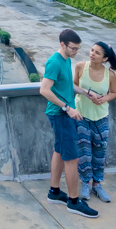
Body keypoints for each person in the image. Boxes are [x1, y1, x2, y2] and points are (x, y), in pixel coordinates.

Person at [40, 28, 97, 218]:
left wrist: (84, 92)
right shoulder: (54, 62)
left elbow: (66, 85)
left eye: (78, 48)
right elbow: (45, 90)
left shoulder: (65, 60)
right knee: (72, 158)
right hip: (61, 115)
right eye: (73, 48)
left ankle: (54, 192)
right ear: (62, 45)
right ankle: (74, 201)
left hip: (64, 114)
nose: (76, 52)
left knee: (59, 151)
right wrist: (67, 108)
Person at [75, 40, 116, 203]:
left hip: (101, 117)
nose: (92, 54)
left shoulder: (109, 74)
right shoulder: (80, 67)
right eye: (92, 50)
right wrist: (85, 93)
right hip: (81, 115)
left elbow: (113, 93)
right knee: (84, 152)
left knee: (99, 152)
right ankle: (85, 183)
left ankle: (97, 184)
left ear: (105, 58)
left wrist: (103, 99)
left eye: (97, 53)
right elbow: (73, 85)